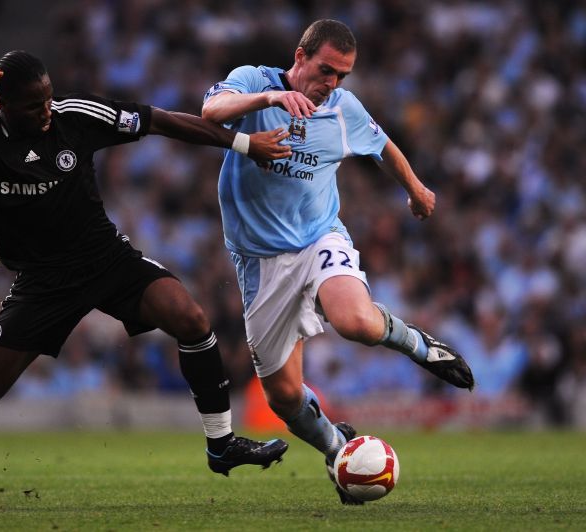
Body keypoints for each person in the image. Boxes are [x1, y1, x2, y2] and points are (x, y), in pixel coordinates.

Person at [0, 50, 293, 511]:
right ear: (4, 105)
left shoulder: (74, 115)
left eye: (49, 98)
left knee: (191, 318)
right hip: (42, 283)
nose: (46, 110)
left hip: (105, 260)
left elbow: (162, 121)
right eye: (34, 105)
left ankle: (222, 445)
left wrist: (243, 144)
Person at [201, 19, 475, 505]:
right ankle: (336, 447)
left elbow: (383, 145)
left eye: (342, 76)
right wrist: (269, 101)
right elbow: (210, 110)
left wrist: (414, 189)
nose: (332, 84)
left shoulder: (343, 109)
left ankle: (418, 344)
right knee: (283, 397)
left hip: (319, 238)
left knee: (355, 322)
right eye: (326, 70)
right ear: (300, 56)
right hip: (261, 264)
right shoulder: (253, 81)